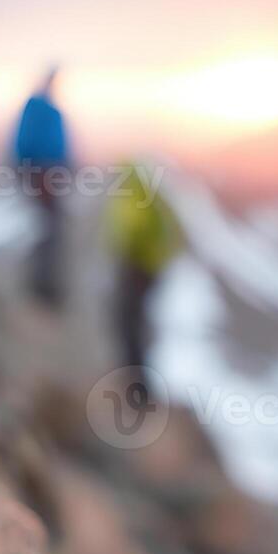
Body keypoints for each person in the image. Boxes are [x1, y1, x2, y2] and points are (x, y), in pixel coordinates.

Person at [104, 161, 182, 386]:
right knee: (135, 322)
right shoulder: (149, 195)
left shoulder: (132, 197)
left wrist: (122, 250)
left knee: (128, 323)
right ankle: (139, 379)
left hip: (136, 269)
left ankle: (136, 383)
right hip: (150, 270)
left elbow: (130, 230)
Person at [13, 65, 70, 307]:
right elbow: (26, 141)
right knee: (44, 226)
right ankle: (40, 285)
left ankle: (45, 282)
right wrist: (29, 169)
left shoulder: (47, 108)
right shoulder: (38, 107)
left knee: (49, 226)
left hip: (50, 173)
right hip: (42, 172)